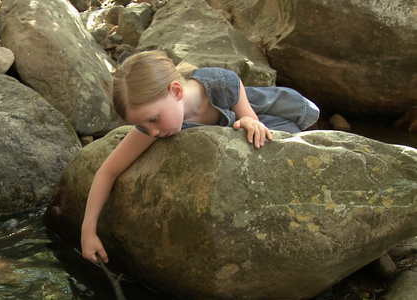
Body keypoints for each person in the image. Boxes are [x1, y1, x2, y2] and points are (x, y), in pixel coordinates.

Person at [81, 50, 319, 263]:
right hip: (225, 123)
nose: (152, 132)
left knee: (295, 119)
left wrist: (247, 120)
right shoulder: (153, 125)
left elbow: (251, 119)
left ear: (176, 91)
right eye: (142, 125)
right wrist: (88, 231)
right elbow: (107, 171)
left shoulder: (221, 83)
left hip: (253, 107)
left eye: (153, 119)